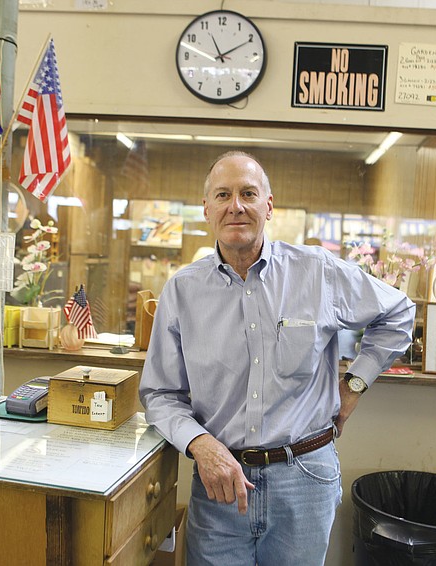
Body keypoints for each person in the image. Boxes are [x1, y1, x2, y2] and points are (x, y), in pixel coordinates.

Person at [139, 151, 415, 565]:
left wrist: (354, 384)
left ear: (268, 206)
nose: (236, 206)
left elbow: (399, 312)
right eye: (223, 195)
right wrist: (200, 444)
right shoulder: (181, 291)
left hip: (304, 480)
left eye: (248, 194)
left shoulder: (316, 271)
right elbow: (160, 394)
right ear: (206, 209)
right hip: (221, 485)